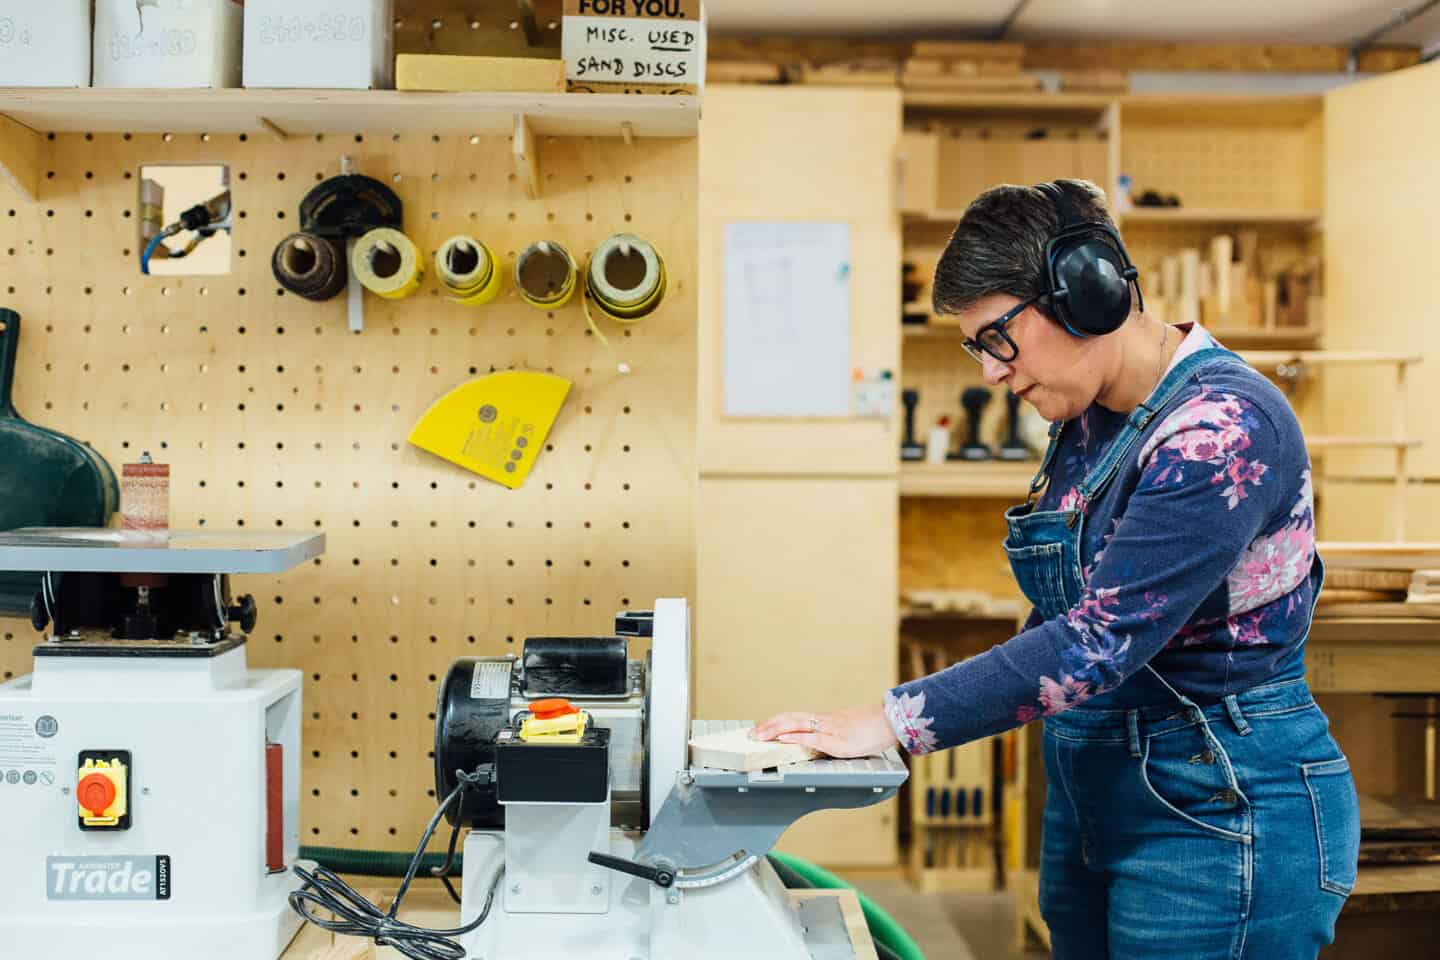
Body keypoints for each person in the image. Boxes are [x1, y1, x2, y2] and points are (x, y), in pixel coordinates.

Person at [753, 180, 1360, 959]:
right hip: (1098, 786)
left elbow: (1099, 638)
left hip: (1219, 803)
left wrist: (891, 721)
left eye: (998, 337)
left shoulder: (1220, 428)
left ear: (1089, 294)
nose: (991, 373)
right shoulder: (1089, 420)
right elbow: (1063, 612)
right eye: (976, 347)